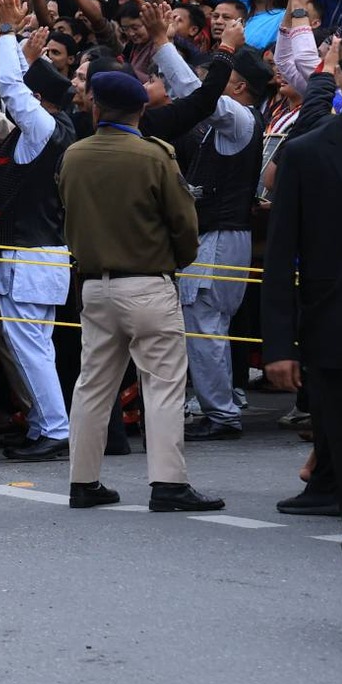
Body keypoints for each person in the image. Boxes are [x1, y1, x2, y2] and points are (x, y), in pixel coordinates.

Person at [55, 70, 223, 512]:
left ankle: (83, 480)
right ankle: (167, 483)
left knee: (92, 384)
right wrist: (175, 260)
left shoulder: (74, 155)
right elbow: (185, 225)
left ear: (95, 106)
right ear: (142, 110)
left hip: (93, 284)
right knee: (164, 383)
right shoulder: (154, 155)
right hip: (148, 282)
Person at [0, 0, 76, 462]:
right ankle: (42, 425)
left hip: (31, 258)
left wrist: (10, 33)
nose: (21, 97)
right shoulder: (53, 131)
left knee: (31, 349)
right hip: (35, 257)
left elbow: (11, 88)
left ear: (42, 100)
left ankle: (54, 429)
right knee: (33, 348)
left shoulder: (43, 130)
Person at [261, 45, 342, 566]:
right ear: (338, 73)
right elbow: (279, 259)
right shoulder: (307, 152)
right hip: (336, 339)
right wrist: (279, 344)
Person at [172, 46, 267, 441]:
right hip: (225, 235)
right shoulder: (233, 122)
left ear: (240, 86)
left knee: (205, 324)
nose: (213, 84)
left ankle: (222, 414)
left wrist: (162, 44)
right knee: (213, 325)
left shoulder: (239, 119)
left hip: (219, 237)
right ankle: (222, 405)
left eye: (222, 77)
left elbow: (194, 90)